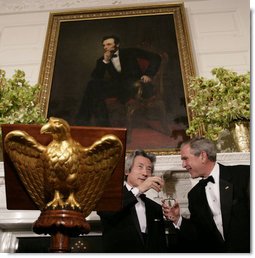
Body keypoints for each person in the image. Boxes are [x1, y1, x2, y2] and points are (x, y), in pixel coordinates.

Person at [162, 137, 250, 253]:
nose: (183, 165)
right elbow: (198, 235)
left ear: (203, 156)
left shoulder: (245, 175)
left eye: (185, 159)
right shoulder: (194, 195)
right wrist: (177, 219)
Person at [76, 35, 161, 126]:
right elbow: (96, 77)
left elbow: (156, 57)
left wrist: (148, 74)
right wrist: (105, 61)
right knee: (92, 86)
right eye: (104, 45)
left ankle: (83, 122)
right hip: (118, 88)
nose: (106, 47)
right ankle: (103, 126)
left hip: (135, 86)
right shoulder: (103, 59)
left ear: (117, 44)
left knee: (95, 92)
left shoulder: (130, 52)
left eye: (108, 44)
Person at [97, 149, 168, 252]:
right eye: (140, 167)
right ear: (126, 171)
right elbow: (106, 213)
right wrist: (139, 189)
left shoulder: (155, 207)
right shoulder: (111, 197)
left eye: (149, 169)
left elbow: (161, 246)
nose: (145, 173)